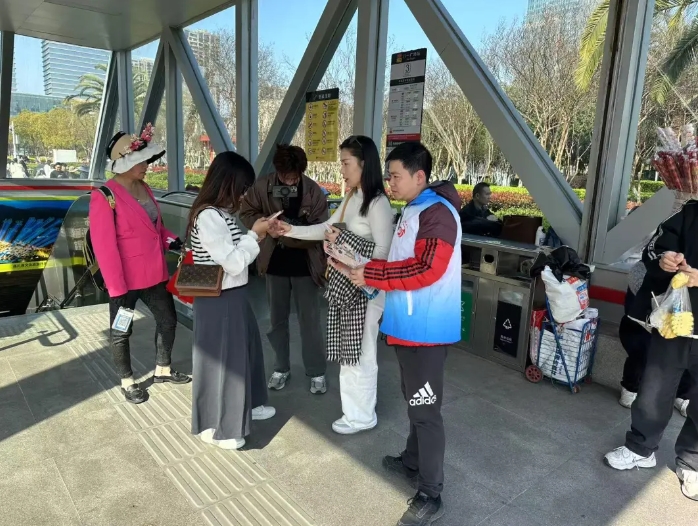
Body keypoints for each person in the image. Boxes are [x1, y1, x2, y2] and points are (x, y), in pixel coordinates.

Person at [349, 142, 462, 525]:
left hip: (426, 331)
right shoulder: (415, 208)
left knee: (426, 411)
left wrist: (371, 273)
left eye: (395, 176)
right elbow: (404, 261)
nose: (390, 183)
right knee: (415, 401)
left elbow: (426, 268)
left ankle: (431, 493)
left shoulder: (437, 214)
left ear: (420, 176)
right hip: (408, 326)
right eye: (389, 176)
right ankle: (412, 461)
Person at [272, 135, 393, 434]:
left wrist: (345, 241)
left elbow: (383, 252)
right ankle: (354, 412)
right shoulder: (353, 197)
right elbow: (326, 229)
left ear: (364, 164)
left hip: (365, 289)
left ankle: (361, 416)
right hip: (349, 286)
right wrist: (290, 230)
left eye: (346, 163)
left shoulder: (377, 202)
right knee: (350, 353)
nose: (342, 169)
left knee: (361, 354)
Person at [89, 126, 190, 404]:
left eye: (147, 160)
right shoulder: (104, 196)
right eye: (141, 161)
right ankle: (127, 381)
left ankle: (163, 369)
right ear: (125, 164)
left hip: (155, 273)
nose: (147, 166)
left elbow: (156, 229)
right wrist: (116, 288)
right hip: (125, 282)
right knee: (121, 331)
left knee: (168, 321)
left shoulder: (144, 188)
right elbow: (105, 247)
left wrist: (174, 242)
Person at [604, 201, 698, 501]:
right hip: (675, 320)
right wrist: (665, 260)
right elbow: (656, 246)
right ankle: (640, 448)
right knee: (655, 388)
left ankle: (693, 461)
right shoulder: (690, 214)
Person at [188, 151, 276, 451]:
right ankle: (219, 427)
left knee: (245, 352)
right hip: (219, 298)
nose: (244, 194)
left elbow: (237, 252)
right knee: (225, 361)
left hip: (232, 294)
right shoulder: (209, 216)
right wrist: (253, 235)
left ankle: (248, 405)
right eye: (242, 187)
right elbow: (233, 262)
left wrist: (256, 234)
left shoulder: (221, 213)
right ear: (228, 183)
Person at [239, 144, 328, 394]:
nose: (289, 180)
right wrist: (266, 226)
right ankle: (281, 367)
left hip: (305, 263)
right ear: (277, 170)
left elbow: (323, 226)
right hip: (275, 261)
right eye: (285, 176)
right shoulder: (263, 186)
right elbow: (246, 212)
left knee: (310, 321)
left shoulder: (312, 190)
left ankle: (316, 371)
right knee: (276, 320)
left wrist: (295, 227)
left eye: (294, 177)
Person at [619, 260, 693, 413]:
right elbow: (650, 254)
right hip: (652, 285)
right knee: (641, 342)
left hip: (691, 296)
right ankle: (631, 386)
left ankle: (683, 393)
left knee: (690, 347)